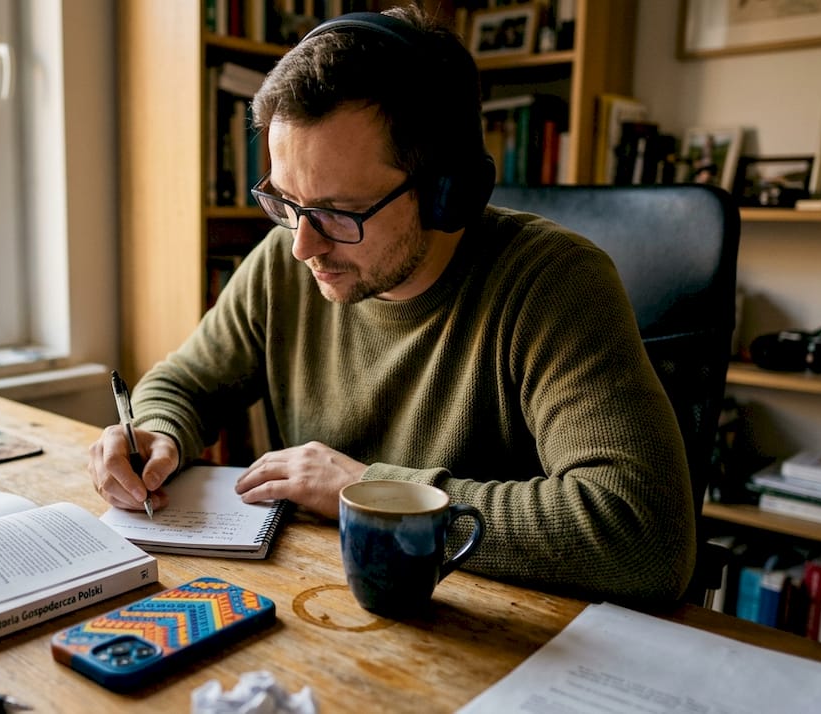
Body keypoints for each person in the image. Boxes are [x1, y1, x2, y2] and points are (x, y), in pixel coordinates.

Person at [88, 7, 695, 606]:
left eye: (338, 212)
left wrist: (370, 489)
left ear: (444, 193)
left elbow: (643, 535)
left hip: (498, 626)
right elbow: (186, 382)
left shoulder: (553, 283)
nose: (303, 245)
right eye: (286, 201)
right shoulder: (283, 261)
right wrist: (155, 433)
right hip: (325, 602)